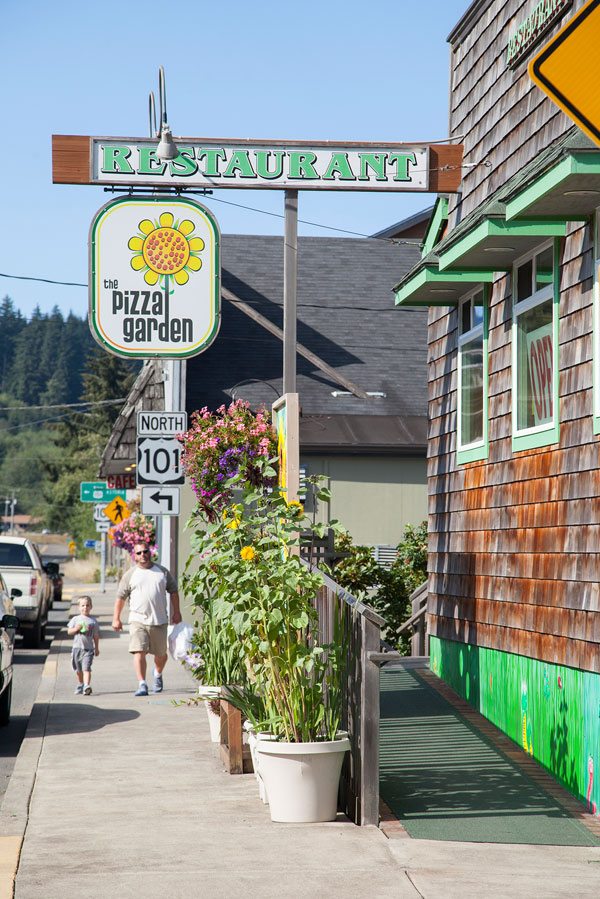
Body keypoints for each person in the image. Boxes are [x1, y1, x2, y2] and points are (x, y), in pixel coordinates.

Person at [112, 543, 182, 696]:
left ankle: (157, 673)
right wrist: (116, 618)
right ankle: (142, 684)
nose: (142, 555)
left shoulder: (162, 572)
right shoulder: (130, 574)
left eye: (145, 551)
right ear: (134, 556)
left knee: (161, 654)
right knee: (139, 651)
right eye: (139, 553)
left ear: (150, 553)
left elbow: (174, 591)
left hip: (159, 620)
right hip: (138, 620)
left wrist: (177, 612)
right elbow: (120, 597)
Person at [67, 595, 100, 696]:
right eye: (83, 605)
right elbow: (69, 632)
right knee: (78, 669)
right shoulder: (75, 619)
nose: (85, 607)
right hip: (77, 648)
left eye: (87, 605)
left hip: (88, 649)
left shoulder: (93, 621)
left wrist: (97, 648)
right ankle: (81, 683)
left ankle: (86, 686)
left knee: (86, 668)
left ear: (91, 607)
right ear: (79, 607)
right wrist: (76, 629)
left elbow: (96, 636)